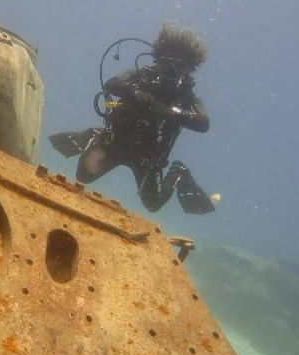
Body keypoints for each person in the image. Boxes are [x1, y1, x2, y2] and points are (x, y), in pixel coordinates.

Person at [49, 23, 215, 214]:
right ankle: (94, 135)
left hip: (148, 157)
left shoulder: (187, 96)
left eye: (178, 66)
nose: (171, 69)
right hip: (115, 141)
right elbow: (112, 84)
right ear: (158, 58)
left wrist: (171, 112)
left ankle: (179, 172)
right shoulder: (143, 75)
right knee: (83, 176)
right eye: (168, 62)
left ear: (187, 69)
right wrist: (135, 92)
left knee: (153, 204)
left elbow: (203, 123)